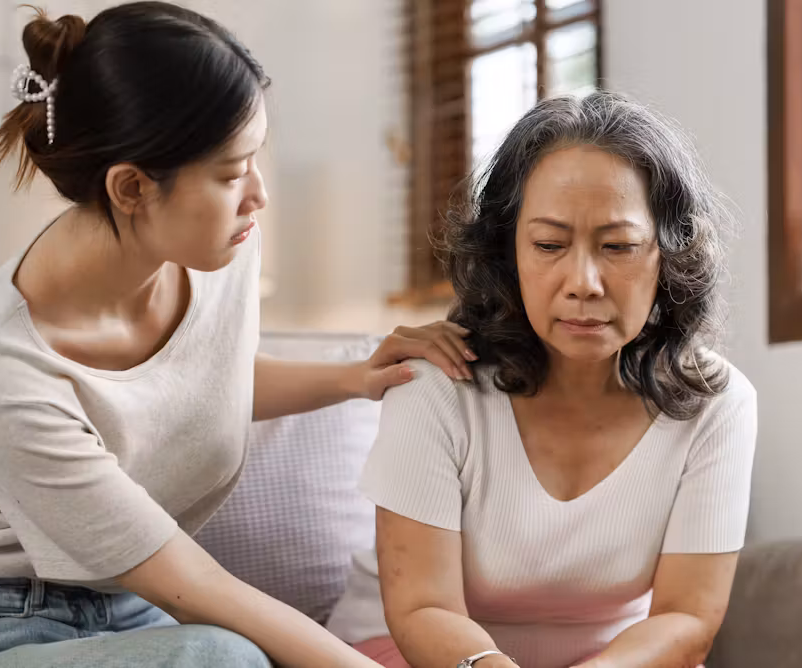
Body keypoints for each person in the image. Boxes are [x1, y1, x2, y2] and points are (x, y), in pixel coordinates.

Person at [0, 4, 476, 667]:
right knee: (225, 658)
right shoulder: (4, 369)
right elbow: (195, 589)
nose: (258, 195)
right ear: (132, 187)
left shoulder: (214, 249)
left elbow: (197, 379)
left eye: (256, 161)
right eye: (230, 173)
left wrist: (356, 377)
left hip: (134, 618)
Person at [324, 92, 758, 668]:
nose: (583, 282)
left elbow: (687, 618)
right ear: (508, 253)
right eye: (550, 245)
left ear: (669, 253)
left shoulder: (716, 404)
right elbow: (422, 609)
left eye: (618, 246)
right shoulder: (435, 383)